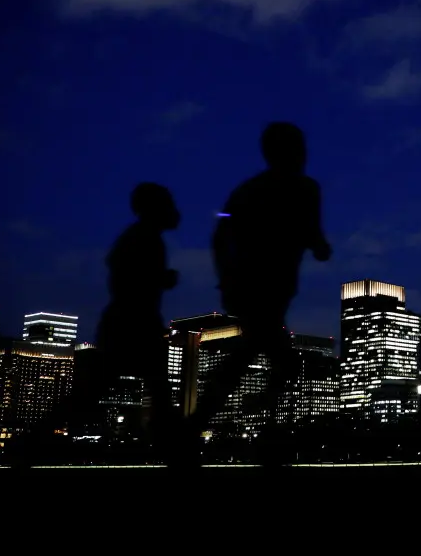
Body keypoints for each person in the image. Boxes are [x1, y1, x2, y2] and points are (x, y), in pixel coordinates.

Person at [188, 123, 331, 451]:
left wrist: (226, 279)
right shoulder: (301, 189)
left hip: (260, 289)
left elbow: (220, 236)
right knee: (272, 359)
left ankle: (215, 423)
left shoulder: (249, 191)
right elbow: (314, 235)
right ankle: (257, 431)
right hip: (261, 290)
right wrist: (318, 246)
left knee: (260, 356)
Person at [73, 182, 182, 457]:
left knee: (151, 390)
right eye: (167, 203)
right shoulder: (143, 237)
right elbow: (125, 278)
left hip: (131, 324)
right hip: (133, 326)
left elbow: (121, 274)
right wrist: (160, 279)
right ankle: (178, 455)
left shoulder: (142, 237)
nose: (174, 210)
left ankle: (176, 454)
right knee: (154, 391)